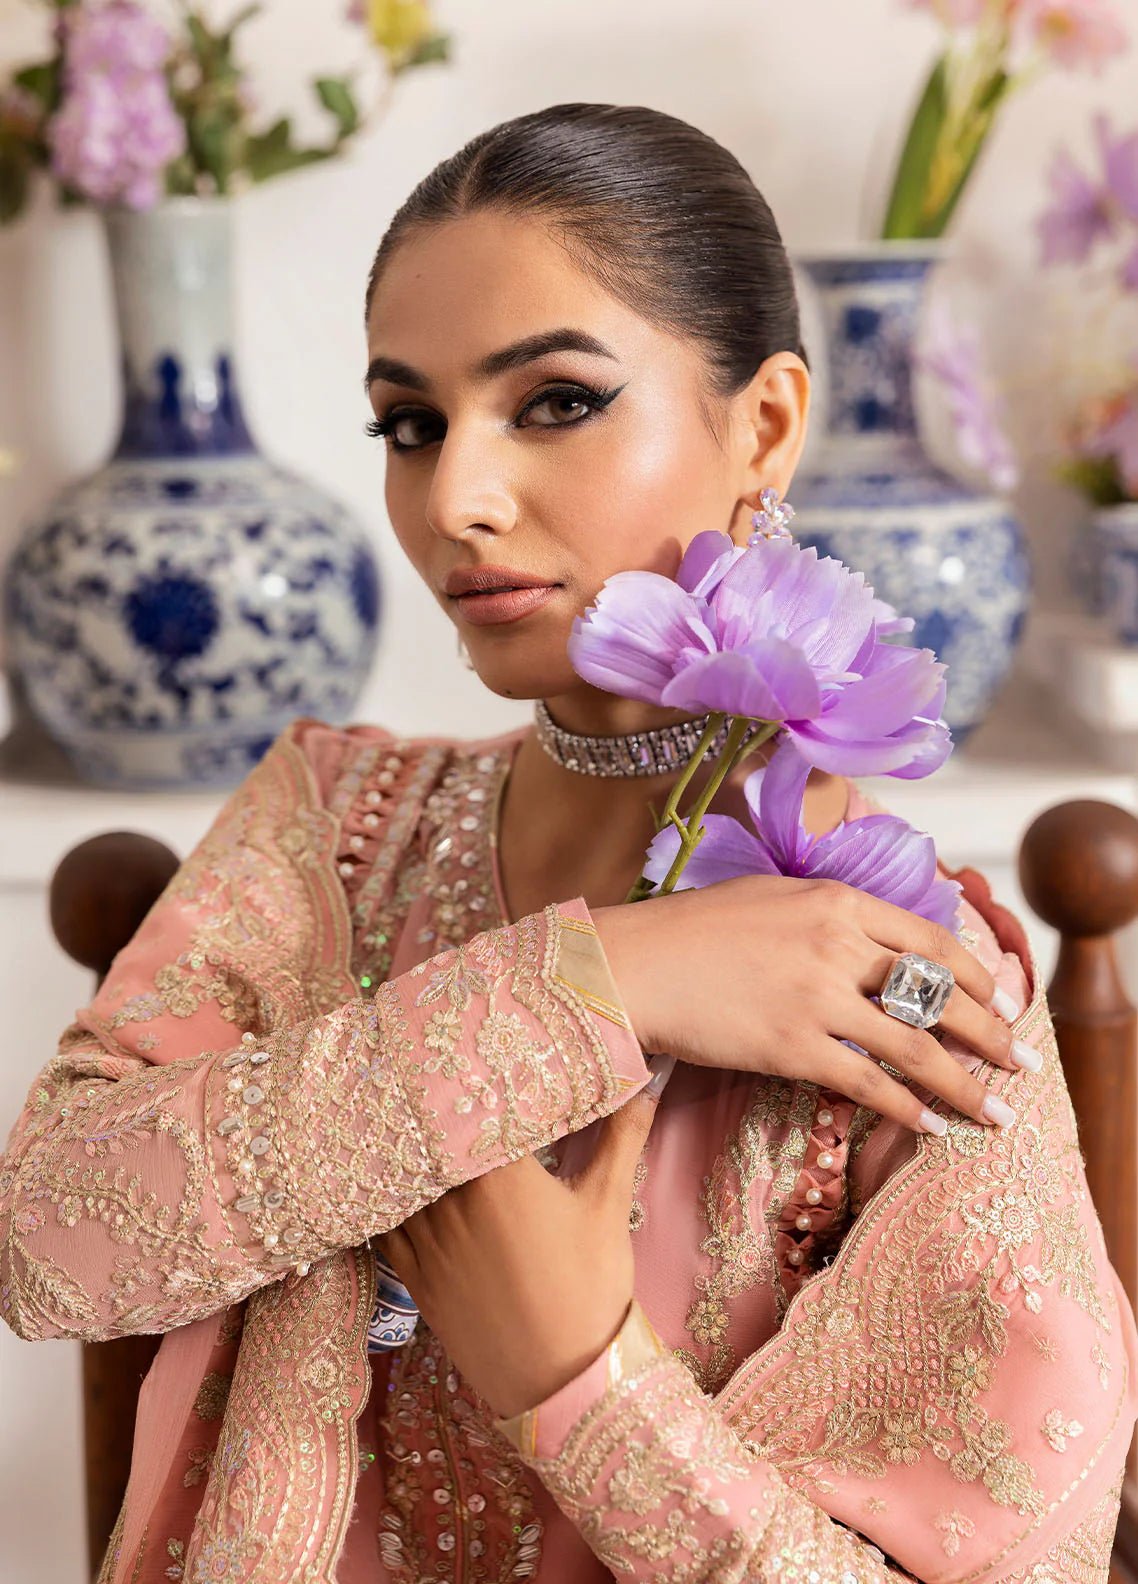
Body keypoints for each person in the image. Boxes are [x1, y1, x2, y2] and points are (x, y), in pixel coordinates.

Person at [2, 101, 1135, 1584]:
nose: (454, 500)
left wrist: (578, 1388)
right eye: (410, 424)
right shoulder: (332, 826)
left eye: (550, 401)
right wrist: (603, 981)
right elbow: (52, 1239)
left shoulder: (907, 976)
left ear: (766, 424)